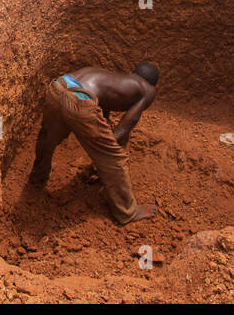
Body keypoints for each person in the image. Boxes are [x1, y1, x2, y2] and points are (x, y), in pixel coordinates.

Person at [27, 64, 160, 225]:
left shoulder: (113, 78)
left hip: (59, 86)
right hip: (80, 100)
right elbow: (126, 126)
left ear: (132, 73)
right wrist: (105, 157)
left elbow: (103, 112)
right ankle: (127, 212)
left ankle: (38, 177)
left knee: (48, 138)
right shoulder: (148, 90)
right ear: (152, 83)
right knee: (114, 159)